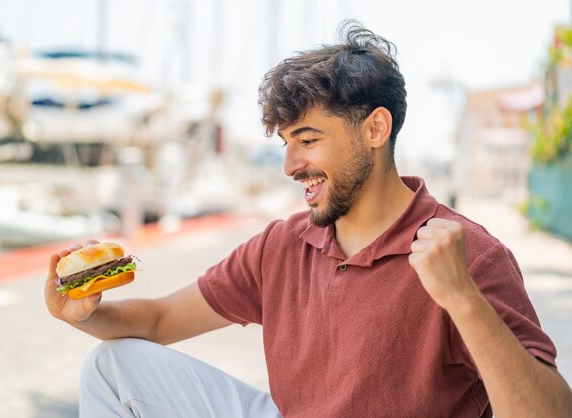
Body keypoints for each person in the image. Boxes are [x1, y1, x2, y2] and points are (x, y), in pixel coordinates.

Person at [44, 20, 572, 417]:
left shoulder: (469, 256)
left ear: (375, 129)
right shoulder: (284, 244)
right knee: (113, 366)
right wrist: (85, 314)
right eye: (286, 143)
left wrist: (462, 299)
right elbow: (160, 320)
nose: (292, 165)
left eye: (308, 140)